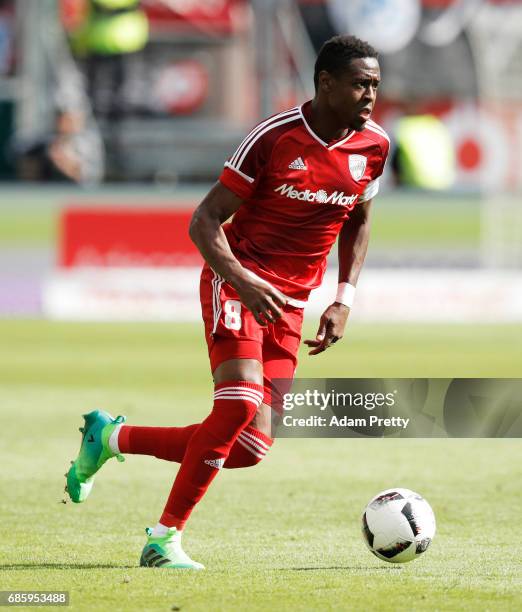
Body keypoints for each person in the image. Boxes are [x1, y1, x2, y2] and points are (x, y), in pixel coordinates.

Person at [65, 35, 390, 569]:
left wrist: (343, 298)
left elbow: (359, 219)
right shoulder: (274, 138)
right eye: (360, 84)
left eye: (375, 85)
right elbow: (203, 220)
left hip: (290, 302)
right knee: (236, 405)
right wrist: (240, 279)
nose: (370, 95)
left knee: (250, 447)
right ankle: (163, 539)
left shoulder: (374, 146)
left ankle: (111, 436)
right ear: (326, 83)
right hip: (236, 280)